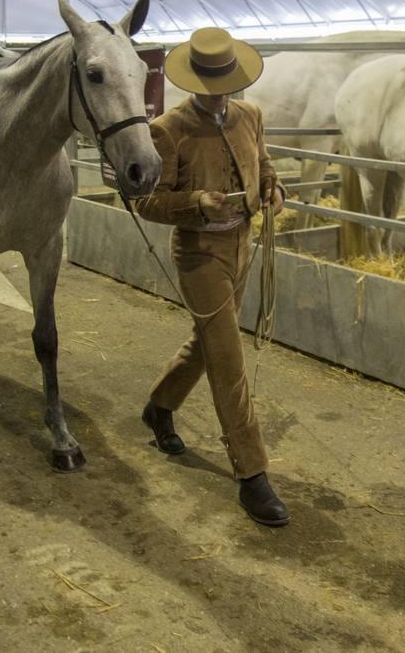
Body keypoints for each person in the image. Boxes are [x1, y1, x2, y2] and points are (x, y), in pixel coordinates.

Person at [135, 26, 290, 528]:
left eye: (225, 79)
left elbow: (263, 166)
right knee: (228, 357)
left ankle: (160, 406)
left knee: (207, 346)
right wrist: (193, 203)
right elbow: (149, 201)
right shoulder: (168, 129)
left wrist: (272, 189)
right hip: (200, 253)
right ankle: (252, 473)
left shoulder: (251, 116)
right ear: (194, 80)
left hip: (243, 244)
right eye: (211, 81)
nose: (219, 90)